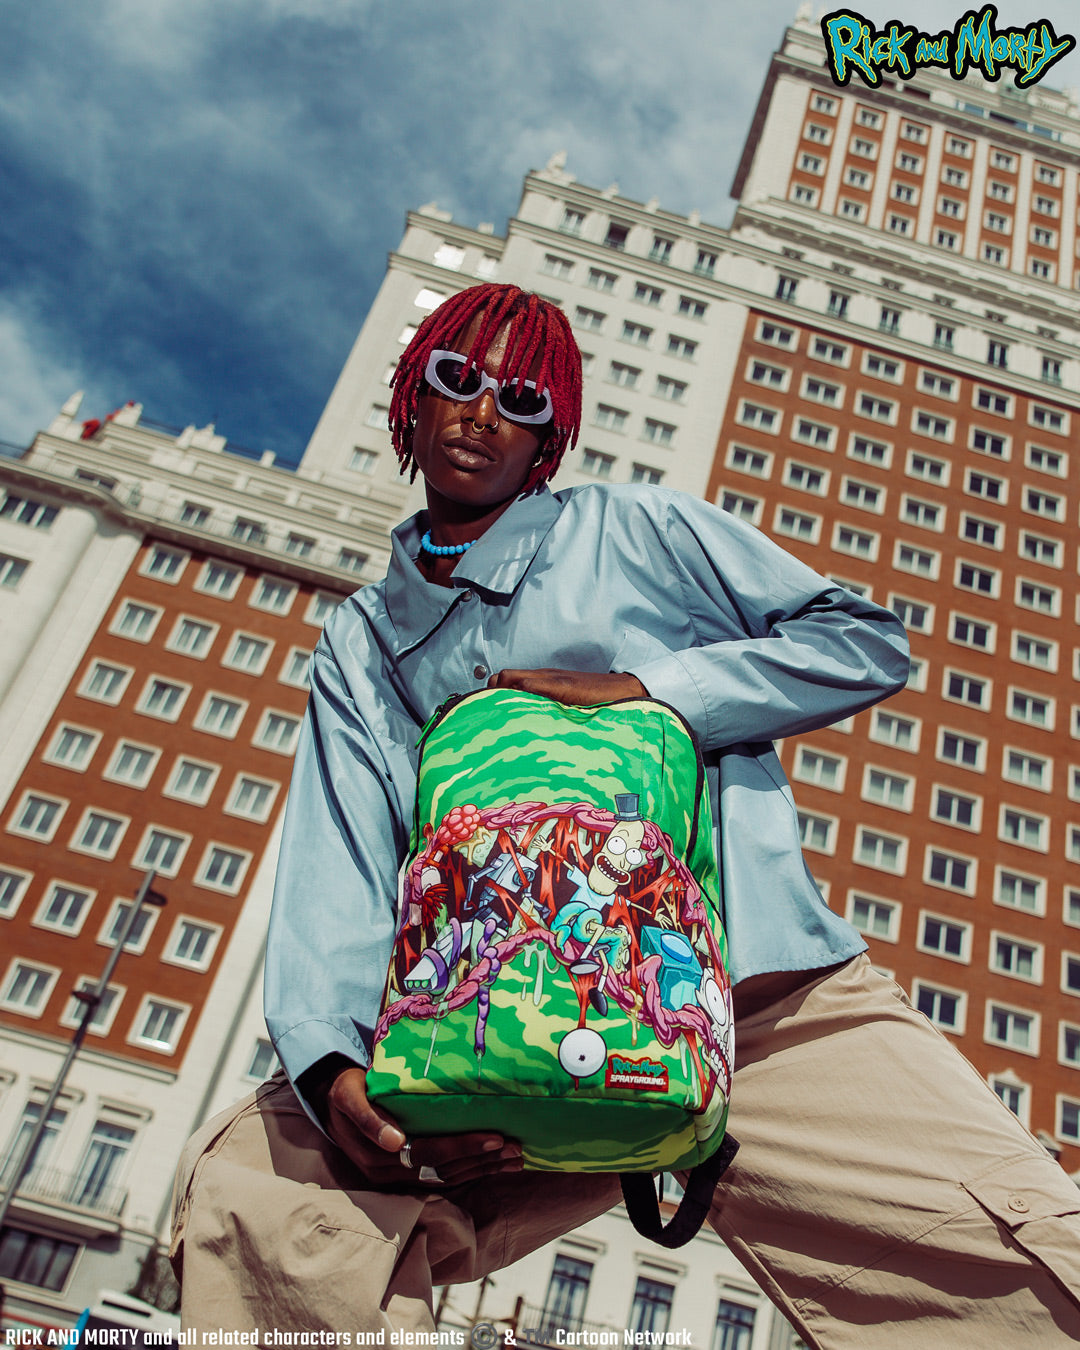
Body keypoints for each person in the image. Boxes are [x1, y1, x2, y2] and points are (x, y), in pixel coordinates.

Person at [172, 284, 1080, 1347]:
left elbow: (863, 641)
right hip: (483, 1036)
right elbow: (345, 854)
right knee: (264, 1198)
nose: (482, 413)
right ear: (413, 394)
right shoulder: (363, 642)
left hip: (757, 1007)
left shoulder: (638, 530)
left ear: (549, 437)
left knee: (1031, 1261)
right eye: (457, 379)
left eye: (521, 399)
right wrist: (333, 1069)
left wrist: (658, 691)